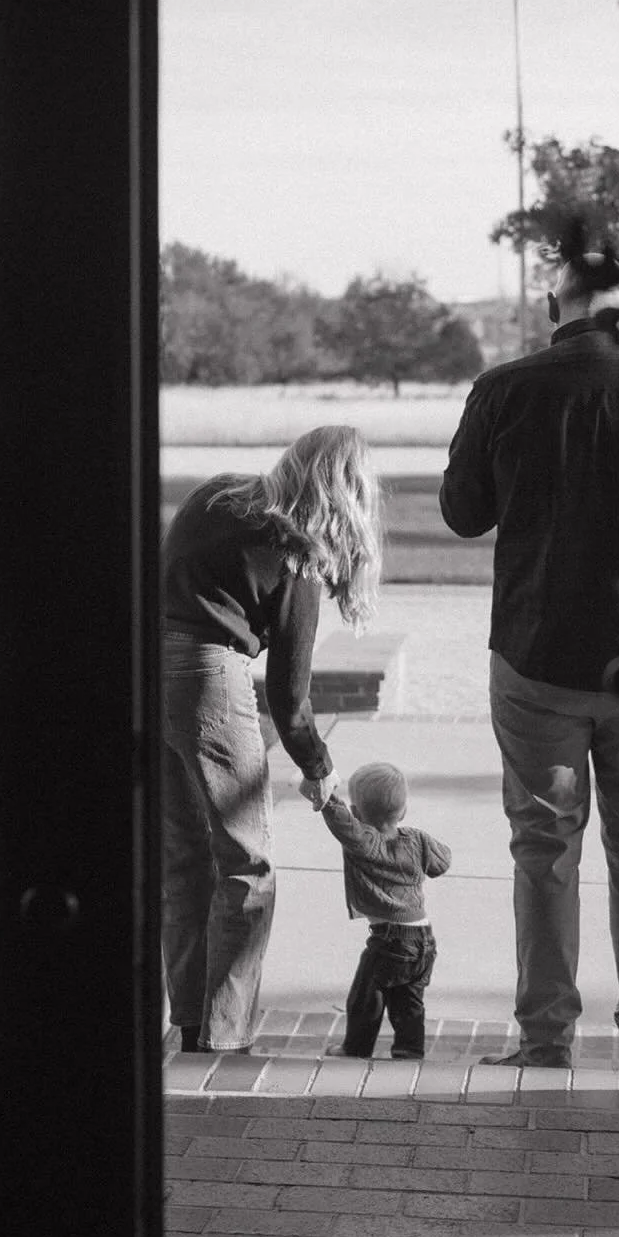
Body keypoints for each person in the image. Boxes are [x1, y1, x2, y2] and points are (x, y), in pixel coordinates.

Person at [439, 231, 619, 1072]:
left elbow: (463, 513)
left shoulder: (503, 390)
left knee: (543, 849)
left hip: (536, 653)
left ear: (551, 305)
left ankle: (545, 1038)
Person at [161, 425, 381, 1054]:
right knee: (247, 864)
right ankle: (226, 1031)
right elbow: (289, 698)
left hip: (145, 664)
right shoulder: (298, 551)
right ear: (345, 495)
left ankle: (193, 1021)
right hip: (208, 678)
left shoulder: (215, 495)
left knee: (183, 858)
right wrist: (319, 768)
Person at [303, 761, 451, 1060]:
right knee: (409, 1003)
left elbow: (341, 822)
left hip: (390, 940)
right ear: (403, 810)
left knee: (365, 996)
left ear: (357, 813)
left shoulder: (364, 841)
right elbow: (442, 863)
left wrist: (325, 794)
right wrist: (422, 845)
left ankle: (355, 1049)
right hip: (423, 939)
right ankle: (410, 1053)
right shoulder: (417, 839)